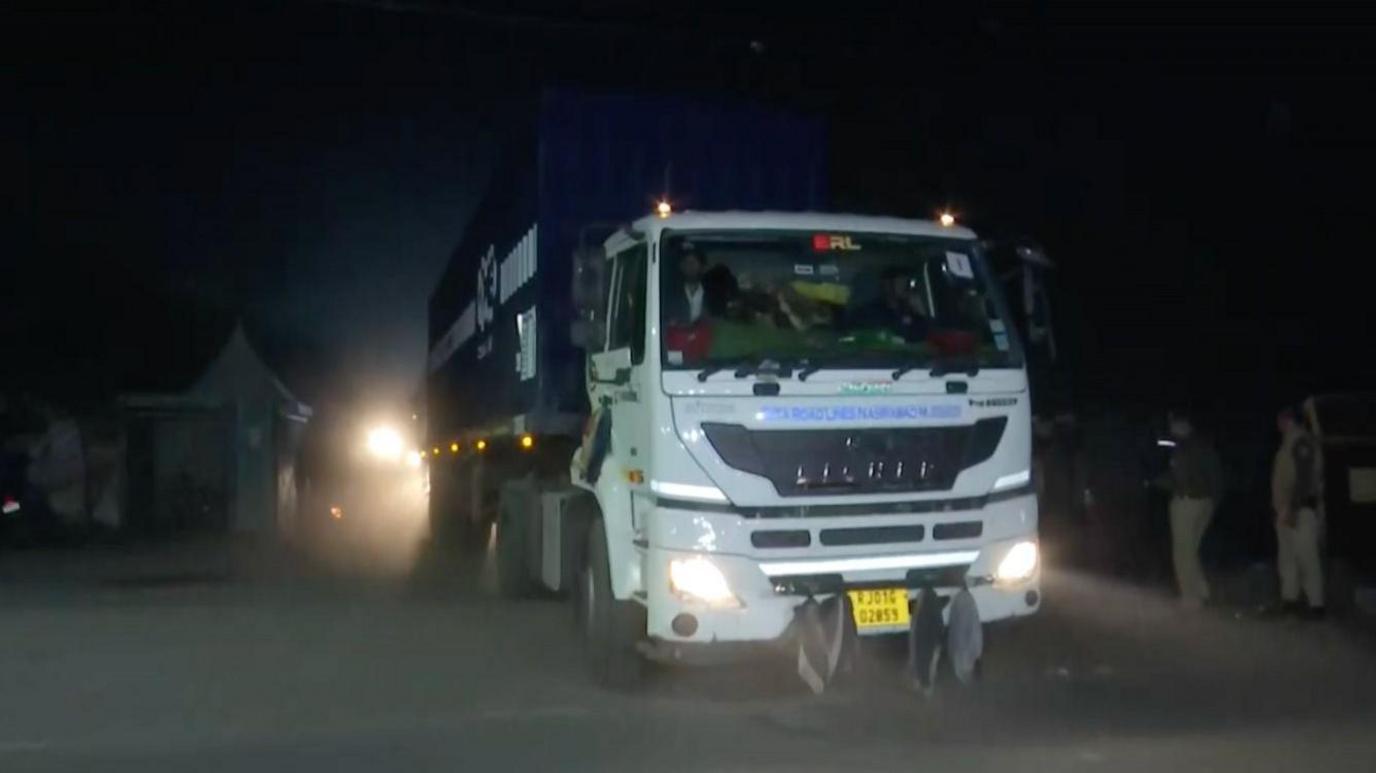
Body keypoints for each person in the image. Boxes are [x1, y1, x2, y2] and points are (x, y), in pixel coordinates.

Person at [1154, 411, 1224, 609]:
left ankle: (1190, 597)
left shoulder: (1184, 447)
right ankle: (1202, 590)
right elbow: (1216, 476)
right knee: (1191, 549)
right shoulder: (1203, 444)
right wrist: (1213, 501)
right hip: (1205, 502)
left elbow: (1180, 477)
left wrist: (1162, 483)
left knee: (1183, 551)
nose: (1171, 429)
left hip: (1187, 502)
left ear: (1182, 424)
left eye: (1173, 424)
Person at [1272, 406, 1325, 618]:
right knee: (1288, 558)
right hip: (1287, 509)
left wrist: (1291, 509)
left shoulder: (1301, 442)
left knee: (1306, 557)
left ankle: (1316, 604)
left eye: (1280, 420)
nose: (1278, 425)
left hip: (1300, 509)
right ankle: (1290, 600)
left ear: (1289, 420)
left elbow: (1303, 479)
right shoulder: (1289, 443)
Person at [850, 267, 930, 342]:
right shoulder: (867, 313)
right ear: (886, 285)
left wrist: (920, 311)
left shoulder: (911, 311)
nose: (905, 284)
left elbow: (927, 337)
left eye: (906, 281)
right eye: (900, 281)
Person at [664, 248, 707, 325]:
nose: (690, 266)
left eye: (693, 262)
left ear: (701, 266)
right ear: (681, 267)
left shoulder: (711, 295)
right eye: (686, 263)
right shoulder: (670, 295)